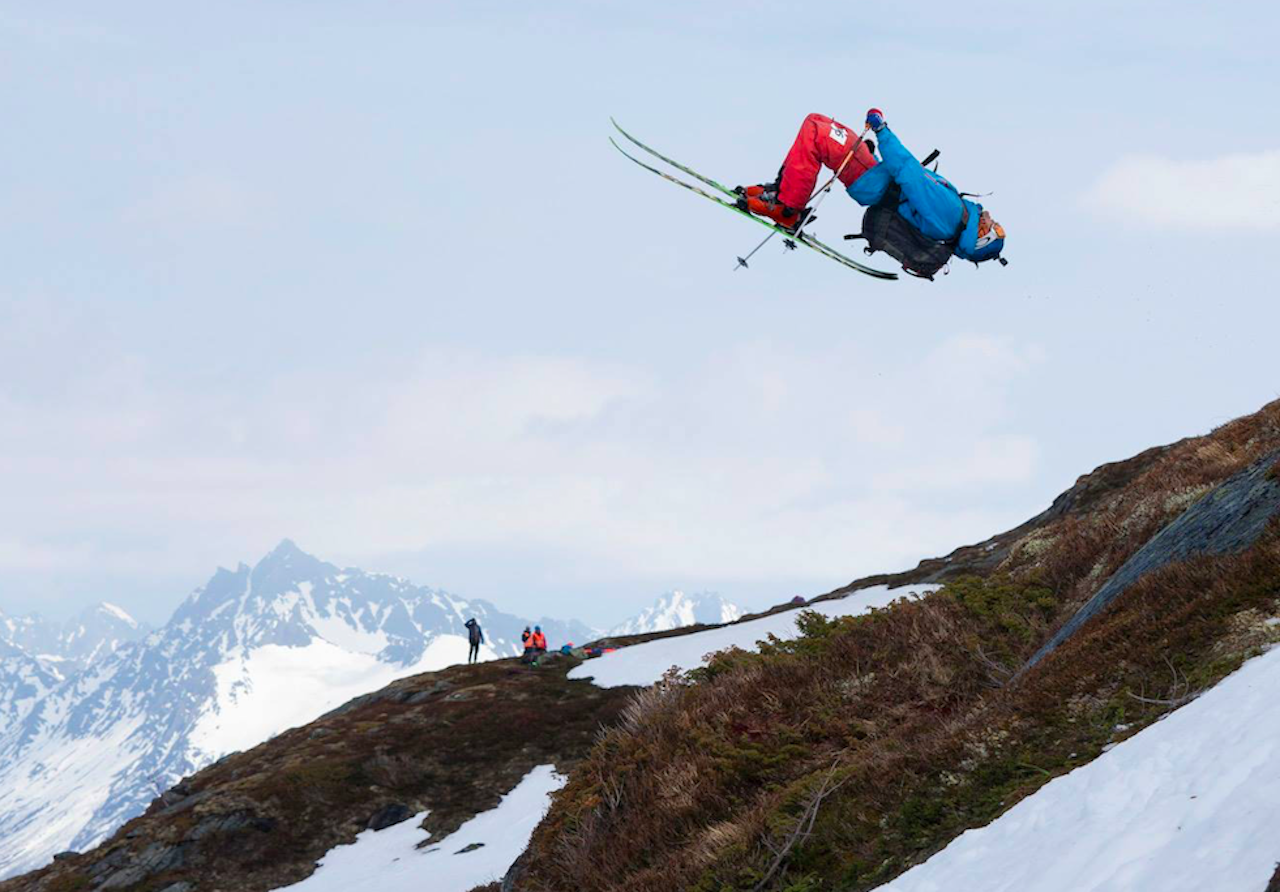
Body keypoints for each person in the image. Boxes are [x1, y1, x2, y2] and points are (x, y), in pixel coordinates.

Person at [846, 108, 1005, 270]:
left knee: (819, 134)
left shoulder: (952, 214)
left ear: (982, 236)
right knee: (822, 125)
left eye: (995, 227)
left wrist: (881, 131)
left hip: (868, 180)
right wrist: (872, 157)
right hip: (873, 179)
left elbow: (910, 175)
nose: (993, 219)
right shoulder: (952, 226)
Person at [736, 112, 878, 232]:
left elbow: (901, 164)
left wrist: (882, 129)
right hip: (874, 172)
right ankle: (782, 188)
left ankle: (788, 208)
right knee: (814, 119)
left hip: (874, 178)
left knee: (816, 132)